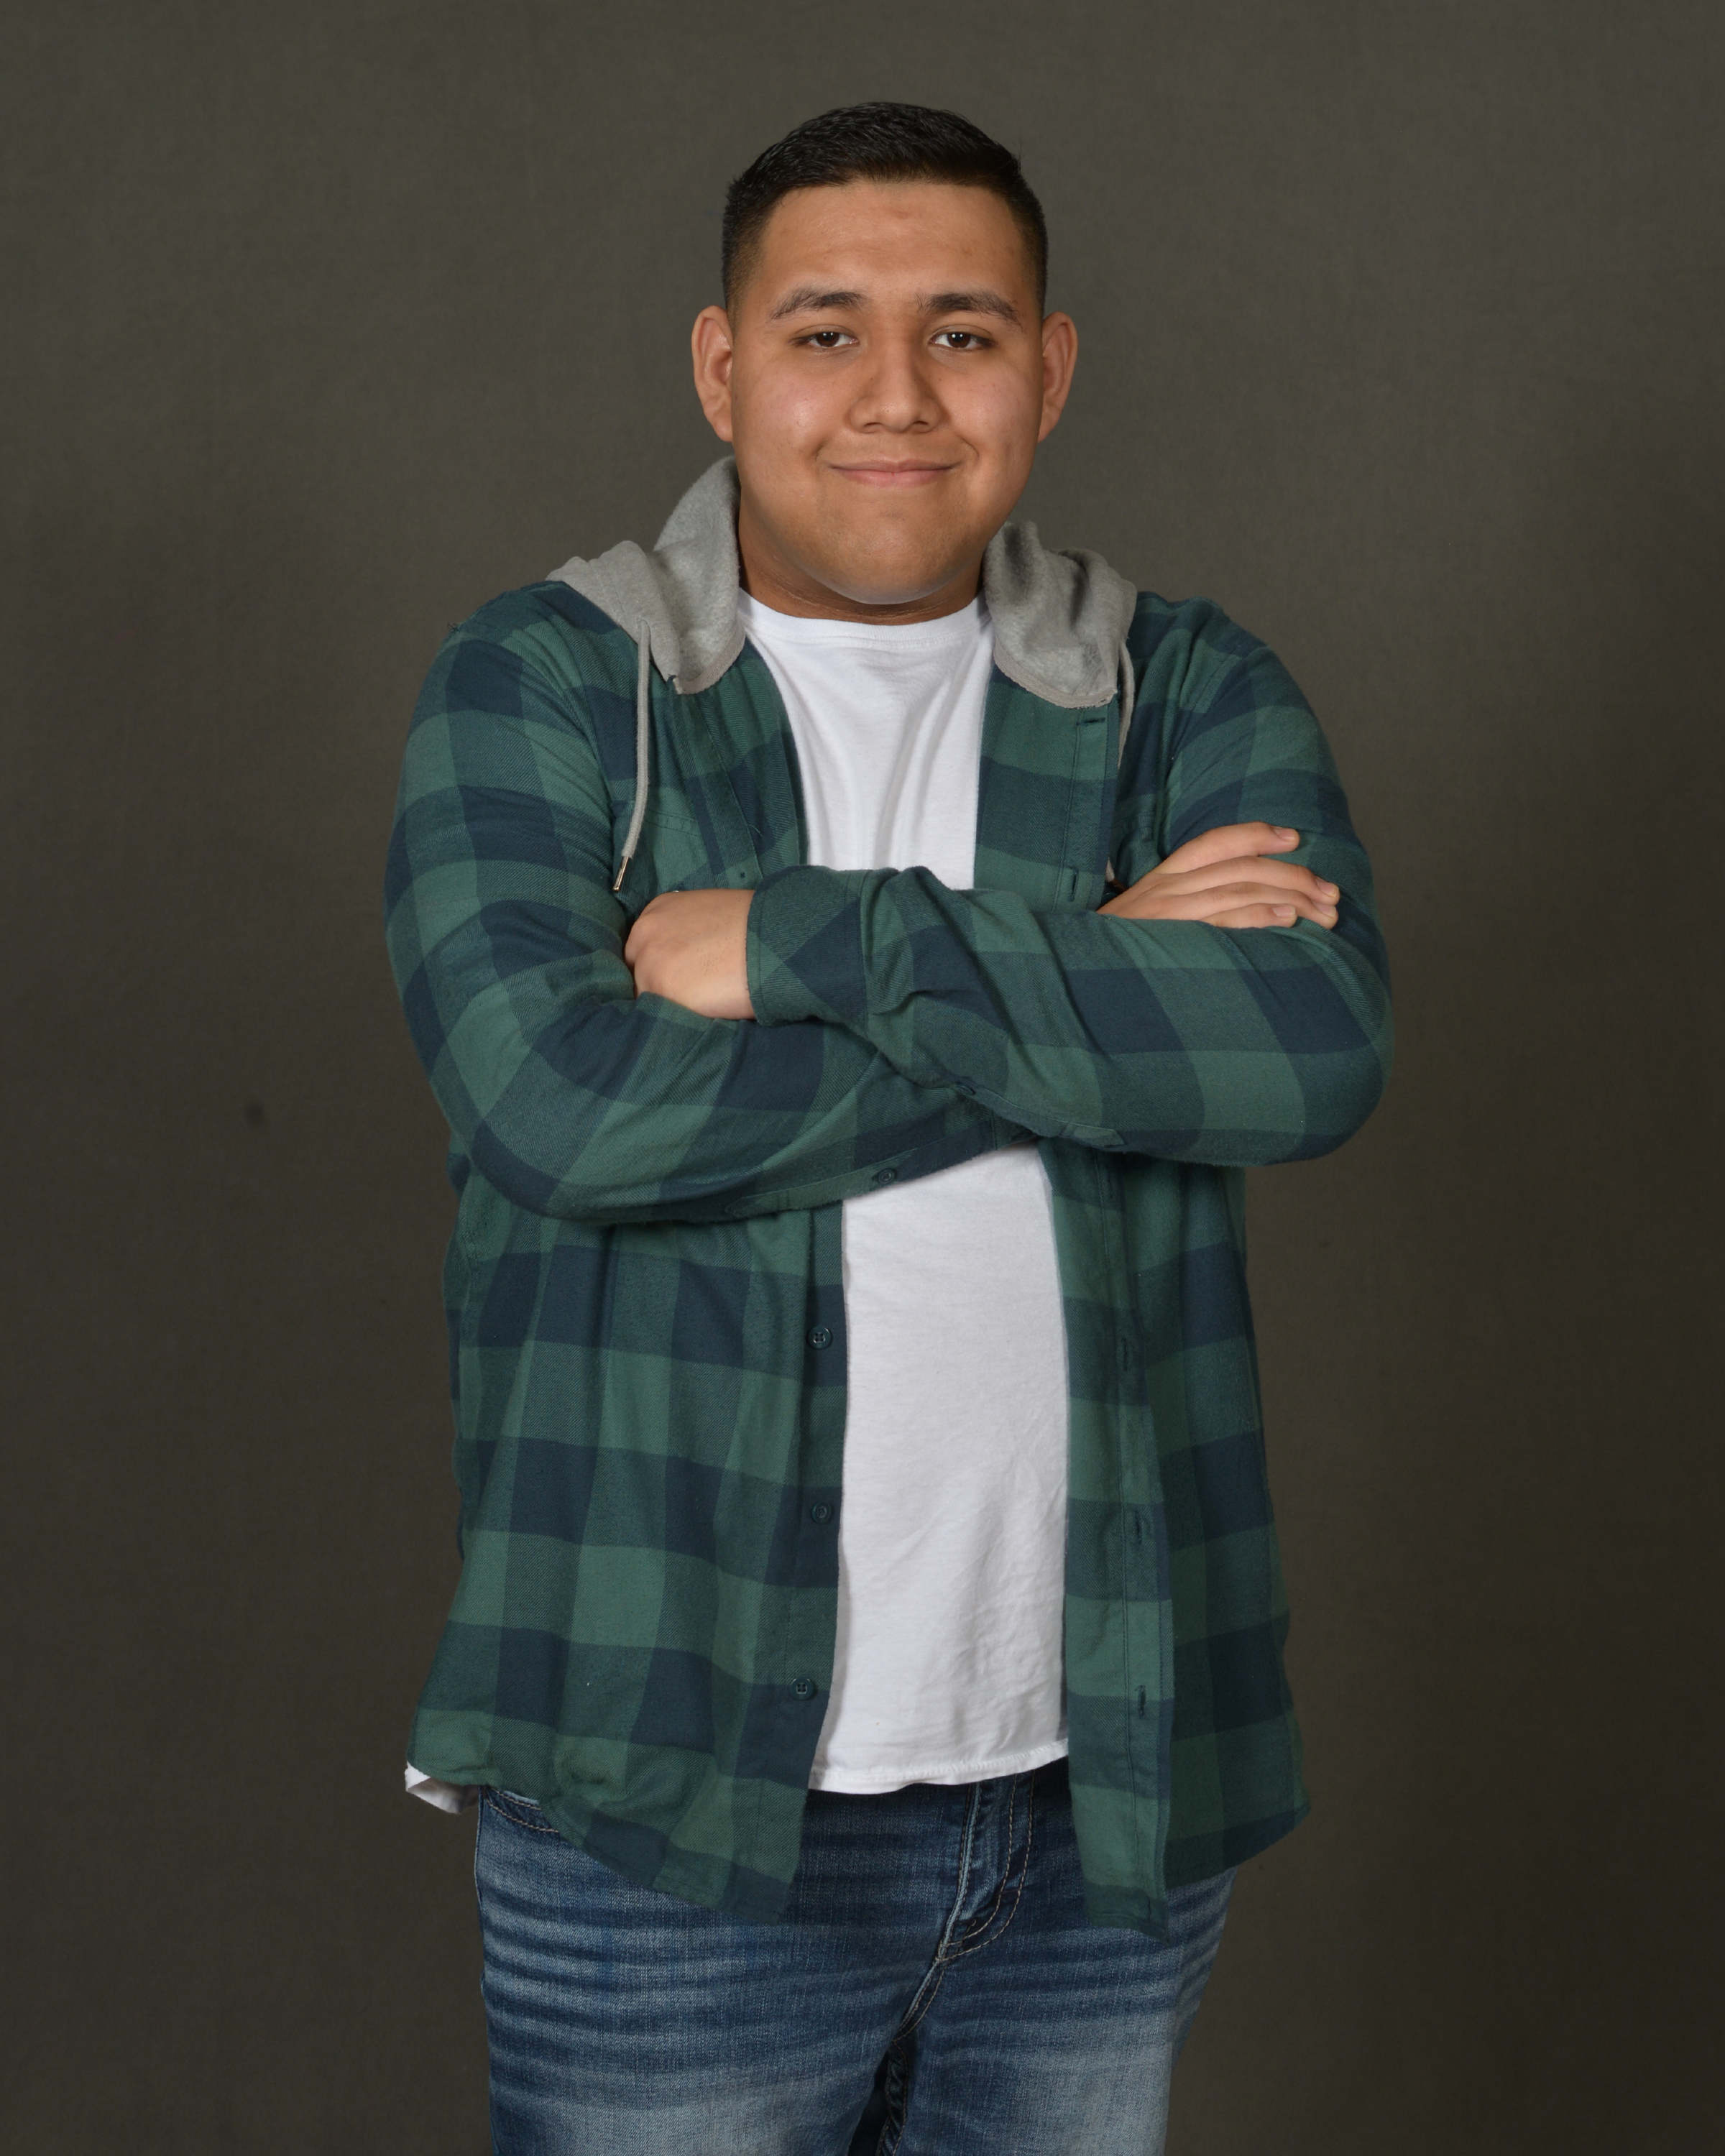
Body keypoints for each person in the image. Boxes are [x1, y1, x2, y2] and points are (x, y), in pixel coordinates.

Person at [386, 101, 1392, 2156]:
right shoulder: (555, 685)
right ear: (721, 367)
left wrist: (805, 943)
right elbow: (563, 1108)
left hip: (1100, 1795)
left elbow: (1306, 1050)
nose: (898, 395)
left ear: (1052, 367)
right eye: (827, 330)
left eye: (965, 332)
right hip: (669, 1793)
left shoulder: (1178, 694)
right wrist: (1094, 970)